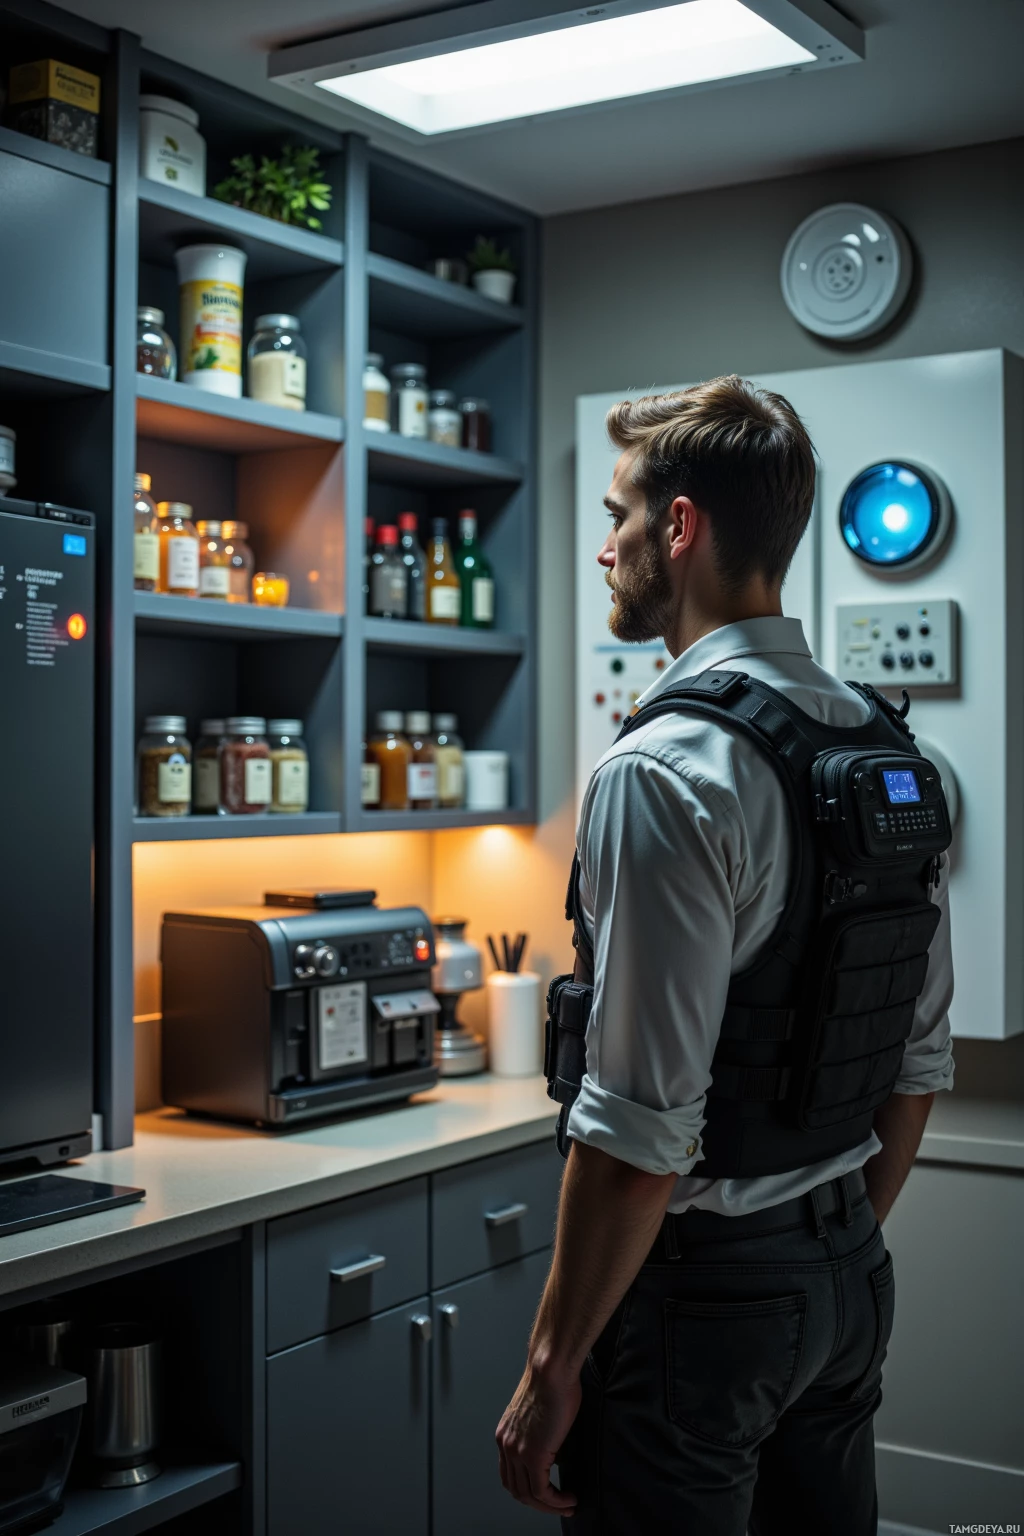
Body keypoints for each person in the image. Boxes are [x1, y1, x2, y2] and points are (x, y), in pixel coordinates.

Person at [495, 376, 954, 1534]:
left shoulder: (664, 772)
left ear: (680, 526)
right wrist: (822, 1252)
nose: (605, 550)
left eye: (616, 517)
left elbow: (640, 1127)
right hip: (848, 1273)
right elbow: (913, 1065)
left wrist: (553, 1369)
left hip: (701, 1301)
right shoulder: (887, 750)